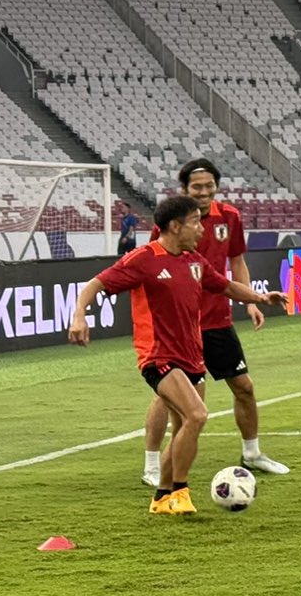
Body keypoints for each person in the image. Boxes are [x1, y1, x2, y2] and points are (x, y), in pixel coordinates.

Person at [70, 195, 288, 515]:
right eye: (195, 222)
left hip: (192, 357)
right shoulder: (143, 259)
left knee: (185, 426)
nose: (202, 229)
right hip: (157, 357)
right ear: (175, 226)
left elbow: (225, 286)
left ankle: (160, 498)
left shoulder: (194, 261)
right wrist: (79, 314)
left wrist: (260, 297)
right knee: (197, 415)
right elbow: (95, 284)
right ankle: (180, 492)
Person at [140, 159, 289, 489]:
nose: (204, 192)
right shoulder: (173, 221)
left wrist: (251, 301)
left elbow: (236, 261)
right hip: (179, 327)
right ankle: (152, 464)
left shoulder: (230, 217)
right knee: (170, 398)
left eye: (209, 186)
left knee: (244, 388)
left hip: (216, 320)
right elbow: (153, 262)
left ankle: (252, 453)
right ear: (185, 190)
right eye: (197, 187)